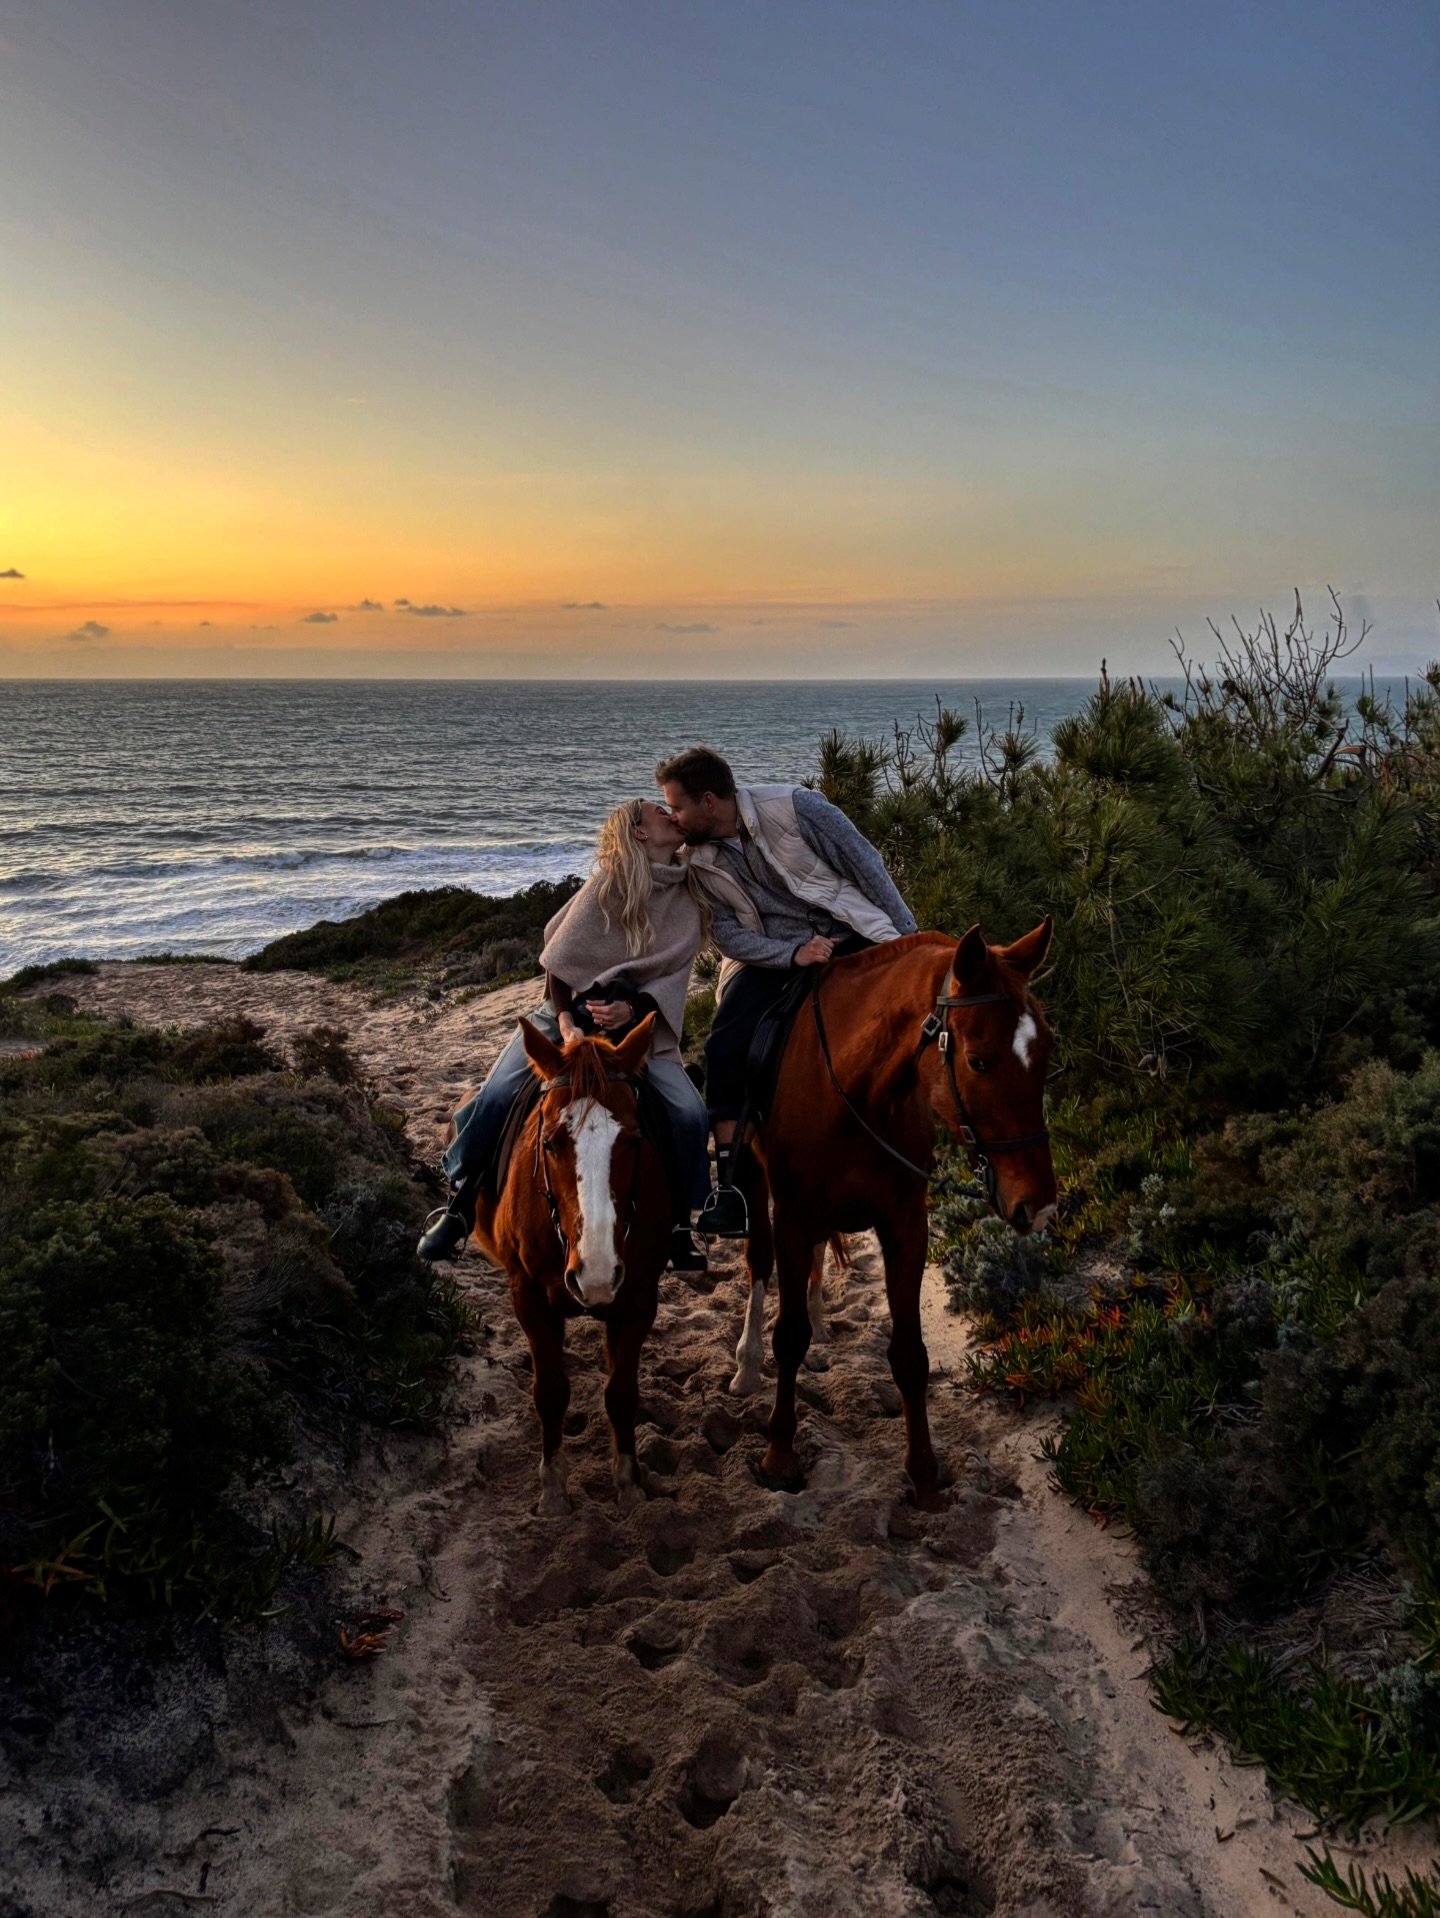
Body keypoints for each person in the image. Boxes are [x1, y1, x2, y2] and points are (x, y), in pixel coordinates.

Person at [417, 798, 711, 1268]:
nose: (671, 814)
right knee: (496, 1096)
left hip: (638, 1025)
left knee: (690, 1113)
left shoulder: (686, 893)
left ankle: (681, 1222)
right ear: (638, 833)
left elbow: (672, 975)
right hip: (564, 1015)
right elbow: (558, 964)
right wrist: (567, 1024)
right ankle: (459, 1205)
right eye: (660, 810)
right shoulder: (606, 887)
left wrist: (629, 1009)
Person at [656, 745, 918, 1237]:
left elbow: (867, 866)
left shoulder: (798, 809)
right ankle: (732, 1187)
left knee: (915, 1024)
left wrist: (911, 941)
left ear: (709, 801)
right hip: (769, 955)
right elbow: (726, 933)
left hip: (850, 932)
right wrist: (791, 954)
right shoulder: (695, 860)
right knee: (723, 1044)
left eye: (676, 806)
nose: (674, 817)